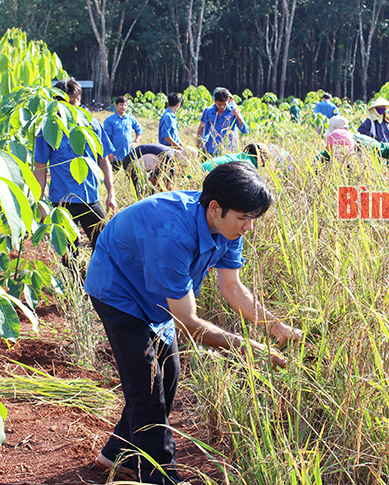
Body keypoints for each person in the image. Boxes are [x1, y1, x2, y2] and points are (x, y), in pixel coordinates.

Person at [84, 162, 302, 485]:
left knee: (169, 374)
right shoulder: (171, 232)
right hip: (118, 290)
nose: (248, 228)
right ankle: (160, 478)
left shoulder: (228, 227)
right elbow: (188, 323)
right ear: (215, 208)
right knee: (147, 386)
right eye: (243, 218)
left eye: (251, 219)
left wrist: (276, 327)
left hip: (156, 296)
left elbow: (234, 289)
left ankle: (117, 455)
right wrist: (252, 350)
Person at [34, 78, 116, 254]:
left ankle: (96, 281)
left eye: (73, 103)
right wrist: (40, 203)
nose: (69, 109)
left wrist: (111, 194)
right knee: (68, 254)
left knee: (104, 246)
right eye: (64, 104)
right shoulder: (48, 128)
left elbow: (103, 160)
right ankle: (73, 281)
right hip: (63, 202)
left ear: (79, 101)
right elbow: (40, 167)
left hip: (90, 198)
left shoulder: (93, 125)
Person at [196, 87, 248, 155]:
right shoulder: (209, 112)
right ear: (214, 101)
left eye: (224, 104)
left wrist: (239, 117)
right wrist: (202, 142)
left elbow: (244, 130)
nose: (222, 107)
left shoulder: (233, 111)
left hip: (229, 149)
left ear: (228, 100)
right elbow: (206, 130)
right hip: (213, 149)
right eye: (219, 104)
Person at [104, 95, 142, 167]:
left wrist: (136, 141)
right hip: (115, 155)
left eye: (125, 105)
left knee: (130, 175)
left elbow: (139, 129)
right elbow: (106, 138)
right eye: (121, 105)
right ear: (116, 105)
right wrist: (109, 153)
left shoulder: (130, 119)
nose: (123, 107)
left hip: (128, 154)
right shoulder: (109, 120)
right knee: (114, 175)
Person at [200, 143, 269, 171]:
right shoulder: (247, 165)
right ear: (261, 159)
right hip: (207, 173)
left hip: (199, 169)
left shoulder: (241, 156)